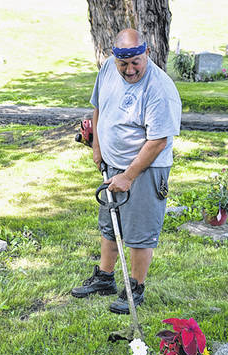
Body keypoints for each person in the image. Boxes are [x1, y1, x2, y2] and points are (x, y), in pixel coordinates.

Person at [71, 28, 181, 315]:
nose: (130, 70)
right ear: (114, 57)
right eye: (124, 64)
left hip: (145, 169)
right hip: (113, 166)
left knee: (139, 232)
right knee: (110, 224)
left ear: (146, 53)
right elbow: (98, 108)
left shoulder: (159, 89)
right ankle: (105, 278)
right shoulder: (108, 69)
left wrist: (128, 176)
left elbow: (158, 141)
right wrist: (97, 147)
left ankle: (135, 285)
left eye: (136, 62)